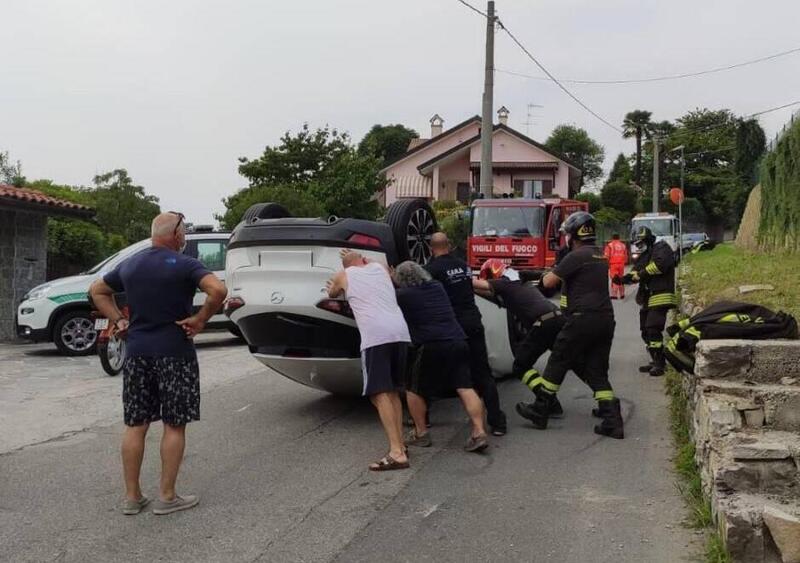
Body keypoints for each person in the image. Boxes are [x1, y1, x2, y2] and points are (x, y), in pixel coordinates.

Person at [89, 212, 228, 515]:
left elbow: (97, 290)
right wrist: (201, 319)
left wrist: (119, 320)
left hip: (137, 353)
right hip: (175, 352)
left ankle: (132, 496)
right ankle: (167, 496)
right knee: (174, 424)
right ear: (177, 235)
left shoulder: (130, 263)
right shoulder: (186, 264)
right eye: (185, 232)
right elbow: (218, 290)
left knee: (135, 424)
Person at [515, 211, 624, 439]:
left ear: (573, 234)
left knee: (558, 359)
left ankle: (541, 408)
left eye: (566, 234)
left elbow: (548, 282)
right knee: (596, 369)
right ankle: (611, 417)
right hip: (605, 319)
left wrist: (543, 273)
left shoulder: (576, 256)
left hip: (582, 318)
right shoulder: (598, 255)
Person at [326, 252, 411, 471]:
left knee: (379, 394)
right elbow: (380, 264)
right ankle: (400, 445)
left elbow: (332, 293)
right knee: (392, 391)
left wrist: (334, 283)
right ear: (363, 260)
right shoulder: (380, 269)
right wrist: (364, 259)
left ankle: (396, 453)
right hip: (400, 333)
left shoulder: (343, 274)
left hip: (376, 337)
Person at [393, 261, 489, 453]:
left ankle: (421, 433)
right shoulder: (437, 287)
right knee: (465, 387)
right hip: (458, 340)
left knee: (414, 389)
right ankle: (479, 432)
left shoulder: (403, 295)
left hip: (430, 344)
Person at [424, 232, 507, 436]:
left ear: (430, 248)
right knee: (483, 373)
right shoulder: (463, 265)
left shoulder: (431, 270)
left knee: (430, 370)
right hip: (473, 322)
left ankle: (421, 420)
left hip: (450, 327)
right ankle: (497, 423)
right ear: (449, 245)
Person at [471, 258, 565, 418]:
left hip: (544, 323)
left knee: (520, 366)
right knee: (572, 361)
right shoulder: (516, 282)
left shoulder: (504, 284)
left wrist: (456, 277)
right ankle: (607, 404)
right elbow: (486, 293)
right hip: (557, 318)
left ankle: (548, 402)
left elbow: (479, 286)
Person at [614, 226, 676, 377]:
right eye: (637, 244)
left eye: (641, 242)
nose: (639, 246)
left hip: (661, 295)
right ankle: (654, 360)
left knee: (653, 328)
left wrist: (640, 274)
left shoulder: (662, 248)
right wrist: (624, 279)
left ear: (648, 239)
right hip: (648, 297)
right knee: (645, 331)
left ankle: (660, 364)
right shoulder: (646, 254)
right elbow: (637, 271)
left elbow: (659, 265)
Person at [604, 233, 628, 299]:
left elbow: (606, 256)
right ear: (619, 238)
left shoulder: (609, 245)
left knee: (614, 279)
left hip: (613, 264)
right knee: (620, 278)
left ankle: (614, 295)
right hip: (621, 264)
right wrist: (624, 262)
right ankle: (622, 294)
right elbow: (626, 256)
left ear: (612, 238)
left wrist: (606, 263)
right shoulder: (623, 245)